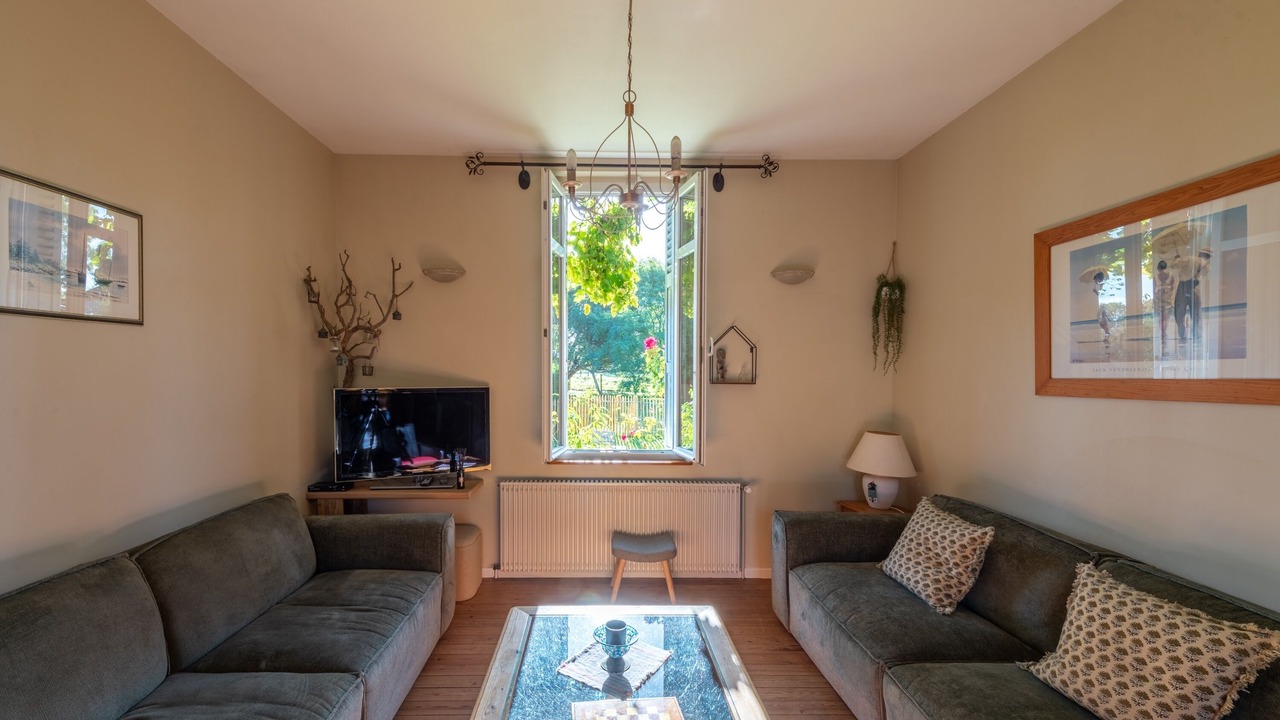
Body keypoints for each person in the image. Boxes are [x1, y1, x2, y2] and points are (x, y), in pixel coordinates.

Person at [1172, 247, 1212, 342]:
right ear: (1208, 256)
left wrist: (1177, 258)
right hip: (1195, 288)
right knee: (1196, 313)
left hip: (1183, 287)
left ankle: (1182, 335)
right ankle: (1196, 335)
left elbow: (1174, 265)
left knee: (1179, 313)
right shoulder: (1207, 267)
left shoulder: (1189, 259)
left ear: (1199, 253)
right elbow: (1200, 277)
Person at [1153, 259, 1176, 345]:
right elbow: (1173, 286)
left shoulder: (1156, 276)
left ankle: (1163, 333)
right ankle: (1164, 333)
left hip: (1159, 299)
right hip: (1167, 299)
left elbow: (1154, 289)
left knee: (1161, 319)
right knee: (1166, 318)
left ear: (1158, 268)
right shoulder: (1171, 275)